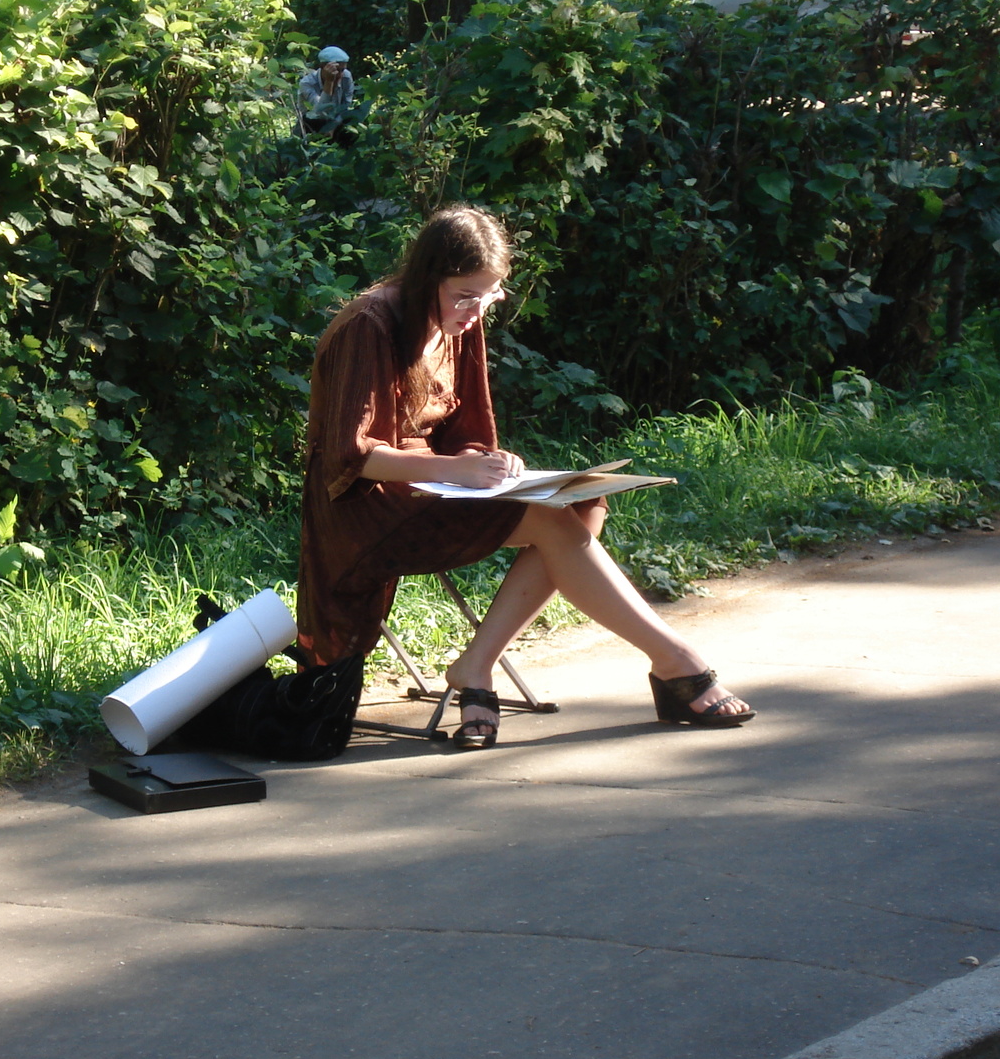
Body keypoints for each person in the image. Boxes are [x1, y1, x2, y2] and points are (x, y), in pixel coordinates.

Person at [296, 205, 754, 750]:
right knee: (549, 519)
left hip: (435, 490)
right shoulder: (369, 325)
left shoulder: (461, 318)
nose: (475, 310)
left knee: (582, 503)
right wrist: (456, 469)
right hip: (363, 508)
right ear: (426, 280)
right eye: (464, 295)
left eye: (490, 295)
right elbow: (352, 457)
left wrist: (492, 465)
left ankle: (475, 666)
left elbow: (468, 430)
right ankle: (677, 662)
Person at [298, 46, 355, 143]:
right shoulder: (307, 83)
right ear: (323, 67)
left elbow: (345, 106)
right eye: (336, 70)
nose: (340, 75)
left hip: (337, 120)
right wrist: (329, 82)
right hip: (311, 123)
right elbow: (320, 111)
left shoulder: (346, 77)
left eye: (342, 70)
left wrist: (333, 127)